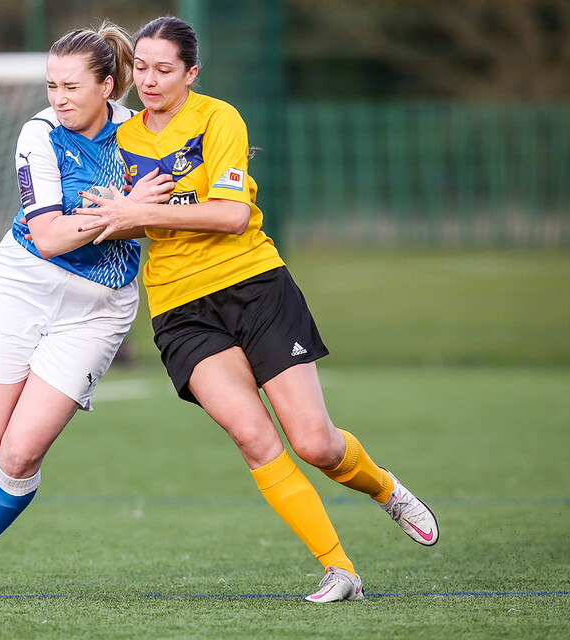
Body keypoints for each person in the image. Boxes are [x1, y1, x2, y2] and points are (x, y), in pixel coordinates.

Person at [77, 16, 439, 603]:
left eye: (164, 69)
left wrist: (135, 214)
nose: (148, 79)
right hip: (180, 309)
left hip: (254, 287)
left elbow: (231, 216)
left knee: (316, 444)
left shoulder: (220, 119)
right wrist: (107, 216)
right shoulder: (118, 140)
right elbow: (109, 216)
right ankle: (340, 569)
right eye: (140, 68)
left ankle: (385, 490)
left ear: (190, 73)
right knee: (252, 436)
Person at [0, 22, 173, 595]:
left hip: (99, 308)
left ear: (108, 86)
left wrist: (135, 211)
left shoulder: (142, 136)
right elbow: (47, 236)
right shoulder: (38, 136)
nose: (59, 98)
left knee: (21, 452)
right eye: (52, 86)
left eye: (71, 86)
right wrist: (121, 212)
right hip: (26, 283)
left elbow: (166, 214)